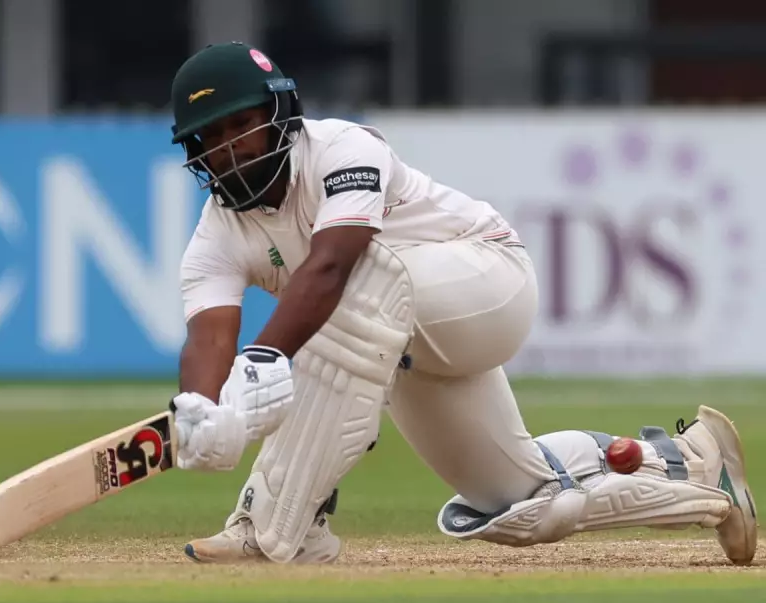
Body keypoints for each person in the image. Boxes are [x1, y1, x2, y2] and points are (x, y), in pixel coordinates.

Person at [167, 42, 758, 566]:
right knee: (524, 506)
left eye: (241, 125)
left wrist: (267, 357)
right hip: (397, 343)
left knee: (347, 291)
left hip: (487, 281)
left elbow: (330, 267)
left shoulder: (341, 148)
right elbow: (209, 337)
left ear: (279, 115)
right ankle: (691, 466)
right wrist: (200, 408)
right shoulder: (216, 235)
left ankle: (275, 526)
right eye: (212, 138)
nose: (230, 149)